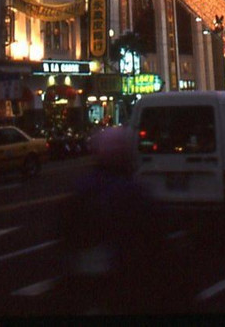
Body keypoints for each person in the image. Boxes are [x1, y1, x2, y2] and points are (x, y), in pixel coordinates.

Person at [55, 124, 170, 315]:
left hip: (86, 273)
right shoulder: (134, 191)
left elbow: (65, 230)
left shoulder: (82, 186)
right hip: (124, 273)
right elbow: (154, 233)